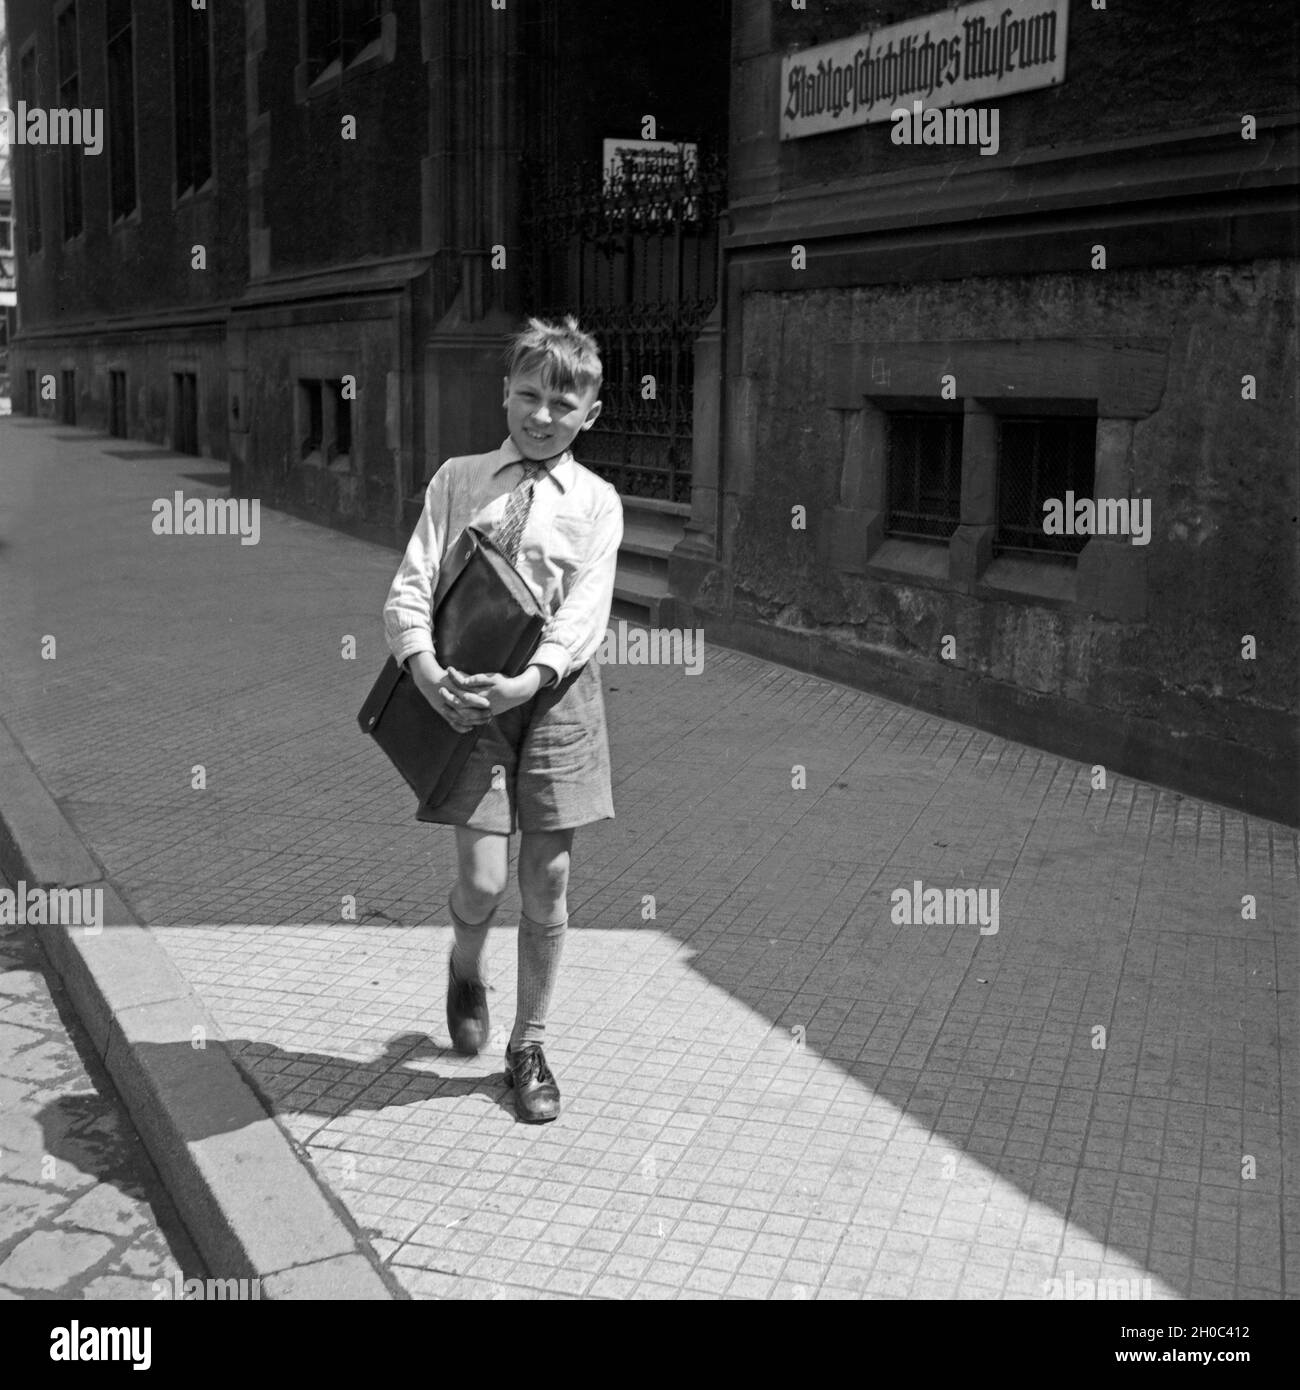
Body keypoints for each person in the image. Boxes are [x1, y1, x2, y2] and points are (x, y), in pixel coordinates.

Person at [382, 316, 622, 1123]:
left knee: (546, 878)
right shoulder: (460, 479)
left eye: (564, 401)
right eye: (528, 394)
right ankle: (465, 961)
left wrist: (531, 680)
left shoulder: (597, 502)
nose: (542, 415)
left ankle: (528, 1045)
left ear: (590, 411)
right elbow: (413, 585)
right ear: (505, 393)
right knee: (483, 879)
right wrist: (423, 668)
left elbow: (587, 612)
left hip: (554, 697)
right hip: (467, 693)